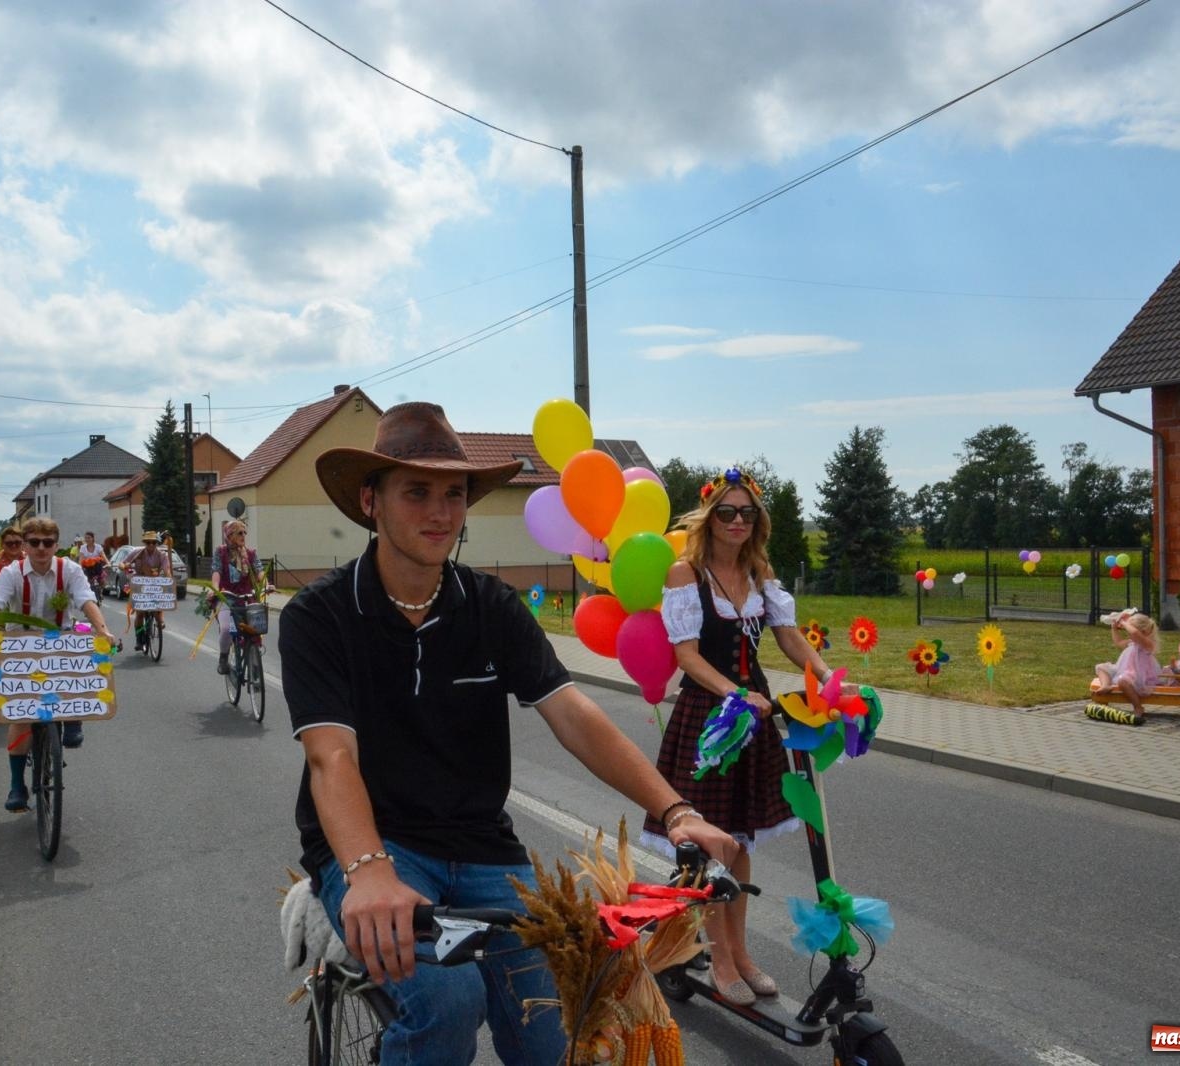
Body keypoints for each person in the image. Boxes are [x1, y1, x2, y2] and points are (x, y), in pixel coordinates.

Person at [279, 402, 737, 1065]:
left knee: (559, 1026)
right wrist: (369, 872)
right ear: (370, 501)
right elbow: (331, 757)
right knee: (447, 1002)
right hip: (379, 847)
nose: (440, 512)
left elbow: (574, 714)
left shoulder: (491, 607)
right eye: (416, 492)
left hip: (484, 851)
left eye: (453, 494)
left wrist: (677, 811)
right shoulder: (319, 615)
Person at [639, 466, 833, 1007]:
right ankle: (718, 958)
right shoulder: (686, 574)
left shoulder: (758, 571)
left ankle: (740, 953)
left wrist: (827, 676)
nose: (737, 521)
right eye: (726, 512)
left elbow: (789, 637)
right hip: (710, 718)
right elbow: (686, 656)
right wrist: (735, 694)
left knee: (740, 842)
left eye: (747, 512)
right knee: (709, 846)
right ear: (710, 517)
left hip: (755, 718)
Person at [0, 516, 114, 809]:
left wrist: (104, 631)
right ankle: (17, 785)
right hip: (20, 646)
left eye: (48, 542)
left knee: (80, 660)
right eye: (34, 542)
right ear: (25, 545)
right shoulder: (12, 573)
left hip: (59, 641)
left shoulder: (70, 570)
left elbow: (86, 601)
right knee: (21, 718)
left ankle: (73, 718)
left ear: (56, 545)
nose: (41, 548)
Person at [208, 518, 265, 674]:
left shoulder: (250, 553)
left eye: (244, 533)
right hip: (226, 596)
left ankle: (253, 656)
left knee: (255, 628)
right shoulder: (220, 552)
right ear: (230, 535)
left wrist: (266, 584)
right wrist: (215, 588)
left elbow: (259, 570)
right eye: (239, 533)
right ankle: (223, 658)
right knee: (226, 628)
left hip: (246, 596)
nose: (243, 536)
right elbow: (216, 571)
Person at [1091, 609, 1160, 720]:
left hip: (1139, 675)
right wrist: (1114, 628)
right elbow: (1118, 642)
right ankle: (1106, 685)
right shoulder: (1132, 642)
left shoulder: (1147, 644)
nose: (1129, 634)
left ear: (1143, 632)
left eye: (1129, 631)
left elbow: (1135, 633)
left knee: (1123, 681)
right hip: (1123, 669)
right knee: (1101, 667)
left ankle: (1138, 707)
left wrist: (1124, 622)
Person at [124, 530, 172, 651]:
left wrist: (169, 580)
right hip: (139, 583)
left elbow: (166, 570)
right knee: (140, 613)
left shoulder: (162, 555)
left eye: (153, 542)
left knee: (158, 605)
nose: (151, 545)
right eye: (148, 542)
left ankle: (159, 621)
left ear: (156, 543)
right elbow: (124, 563)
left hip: (154, 583)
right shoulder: (137, 553)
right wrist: (124, 566)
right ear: (145, 543)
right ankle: (139, 639)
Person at [77, 530, 108, 602]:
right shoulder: (83, 547)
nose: (87, 539)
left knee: (102, 581)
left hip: (97, 568)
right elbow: (81, 559)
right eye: (86, 538)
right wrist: (79, 567)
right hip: (87, 568)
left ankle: (100, 591)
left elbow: (103, 556)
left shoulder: (98, 547)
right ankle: (89, 595)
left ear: (93, 538)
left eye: (89, 538)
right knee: (86, 582)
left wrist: (108, 563)